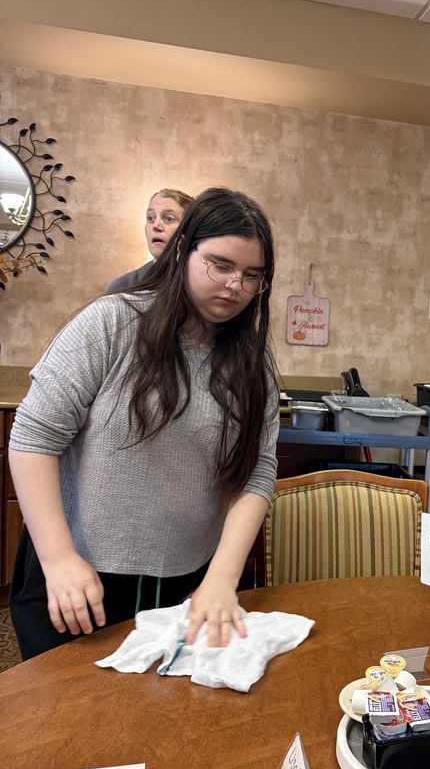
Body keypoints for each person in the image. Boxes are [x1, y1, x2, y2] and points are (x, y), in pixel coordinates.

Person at [9, 186, 279, 660]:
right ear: (182, 251)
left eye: (251, 274)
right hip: (80, 576)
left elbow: (255, 473)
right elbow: (33, 439)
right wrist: (58, 560)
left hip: (187, 581)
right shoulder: (110, 324)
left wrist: (222, 578)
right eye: (220, 264)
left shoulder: (252, 365)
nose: (235, 284)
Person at [107, 188, 193, 291]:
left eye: (169, 219)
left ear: (188, 228)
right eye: (151, 218)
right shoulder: (122, 287)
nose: (155, 225)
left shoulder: (200, 287)